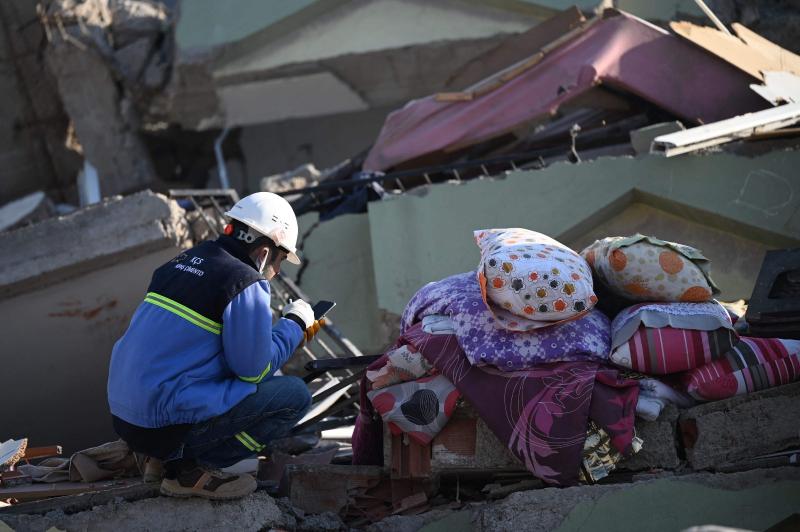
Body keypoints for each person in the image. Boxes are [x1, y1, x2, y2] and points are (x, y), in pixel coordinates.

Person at [107, 192, 323, 500]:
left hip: (127, 418)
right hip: (165, 425)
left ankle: (156, 459)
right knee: (294, 396)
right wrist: (293, 326)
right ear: (264, 253)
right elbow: (253, 370)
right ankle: (191, 470)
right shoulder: (245, 281)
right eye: (279, 261)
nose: (277, 272)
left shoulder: (180, 262)